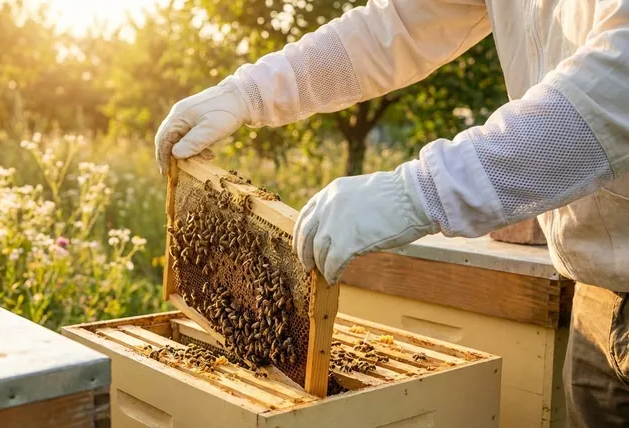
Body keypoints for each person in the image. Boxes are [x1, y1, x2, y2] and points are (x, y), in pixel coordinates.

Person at [154, 1, 629, 426]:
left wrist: (418, 192)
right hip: (596, 294)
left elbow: (617, 84)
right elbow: (398, 27)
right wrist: (249, 92)